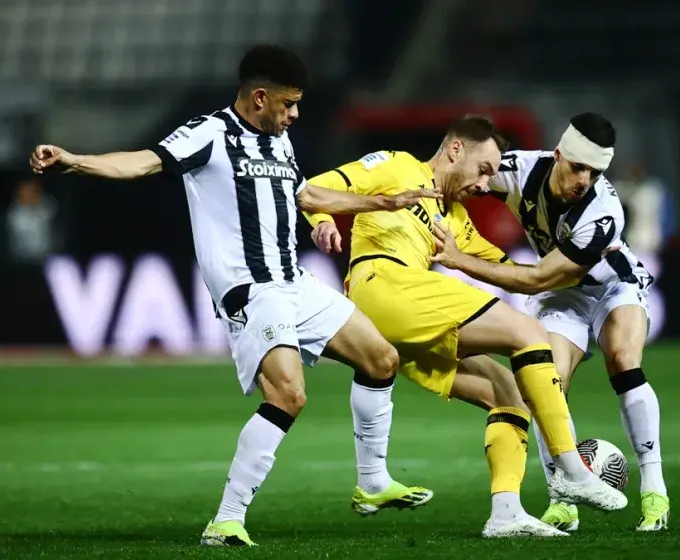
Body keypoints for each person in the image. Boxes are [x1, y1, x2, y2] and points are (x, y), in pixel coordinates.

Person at [29, 44, 436, 547]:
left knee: (380, 358)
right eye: (288, 104)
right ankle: (226, 521)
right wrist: (74, 161)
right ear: (260, 97)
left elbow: (306, 194)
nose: (295, 114)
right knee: (287, 395)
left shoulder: (279, 141)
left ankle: (372, 484)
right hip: (252, 290)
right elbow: (143, 163)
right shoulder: (209, 133)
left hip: (294, 283)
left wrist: (382, 202)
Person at [305, 115, 627, 538]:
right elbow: (314, 188)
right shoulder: (398, 165)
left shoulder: (456, 219)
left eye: (492, 175)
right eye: (483, 170)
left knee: (510, 394)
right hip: (382, 284)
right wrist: (323, 220)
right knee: (527, 333)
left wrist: (584, 272)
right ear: (456, 150)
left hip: (405, 317)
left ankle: (506, 512)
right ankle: (571, 469)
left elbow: (511, 271)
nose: (484, 184)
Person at [430, 113, 670, 532]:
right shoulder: (520, 171)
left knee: (622, 359)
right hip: (563, 295)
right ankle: (563, 500)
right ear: (558, 154)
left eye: (594, 172)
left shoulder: (602, 214)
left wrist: (458, 258)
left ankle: (655, 491)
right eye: (578, 167)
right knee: (544, 380)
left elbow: (537, 278)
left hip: (612, 286)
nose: (584, 180)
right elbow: (456, 173)